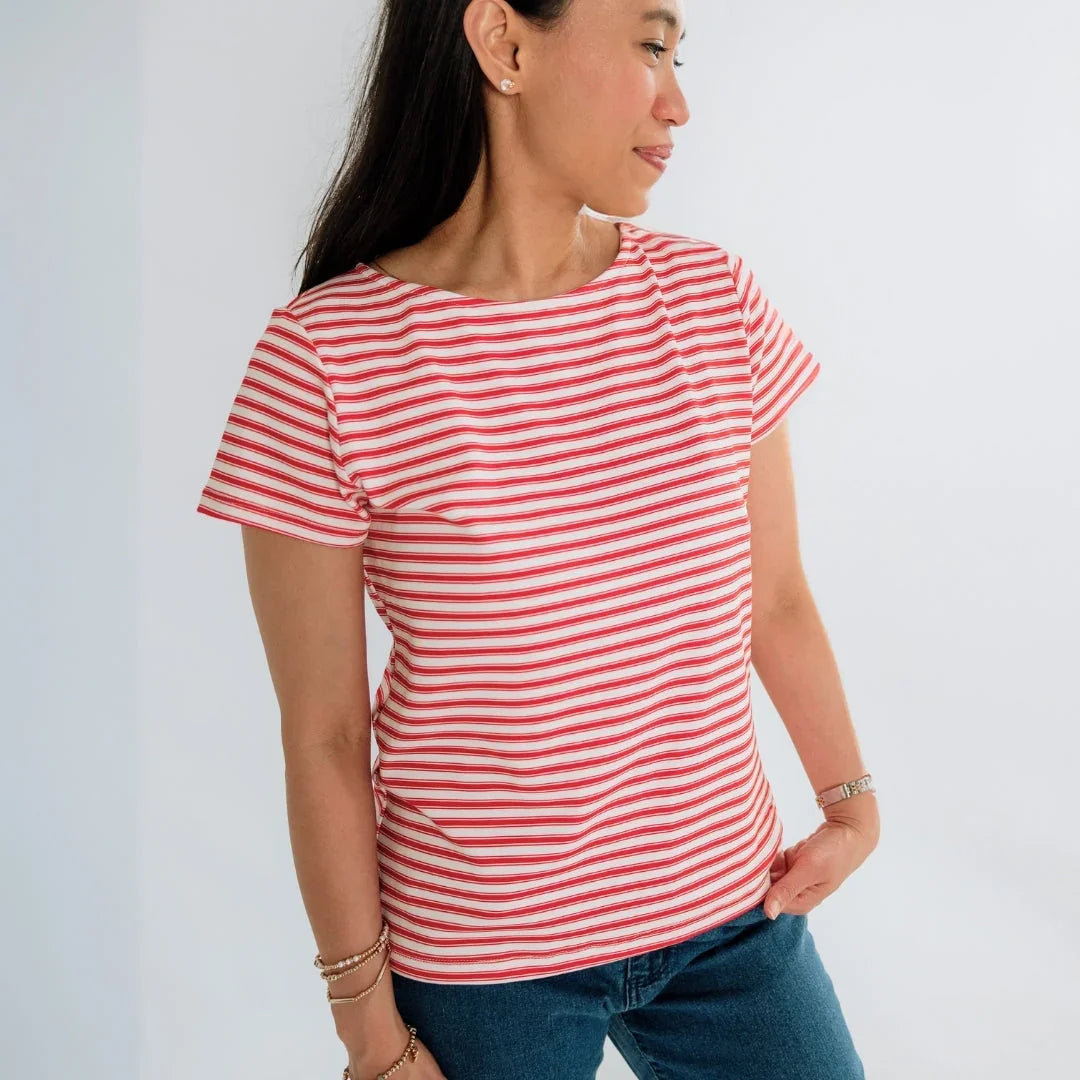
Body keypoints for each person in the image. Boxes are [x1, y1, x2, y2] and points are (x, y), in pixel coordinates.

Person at [195, 1, 880, 1077]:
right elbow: (324, 735)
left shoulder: (710, 301)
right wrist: (370, 1034)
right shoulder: (327, 360)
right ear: (504, 43)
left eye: (678, 54)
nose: (677, 101)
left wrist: (851, 801)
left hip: (734, 919)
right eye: (650, 45)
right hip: (480, 965)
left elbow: (775, 594)